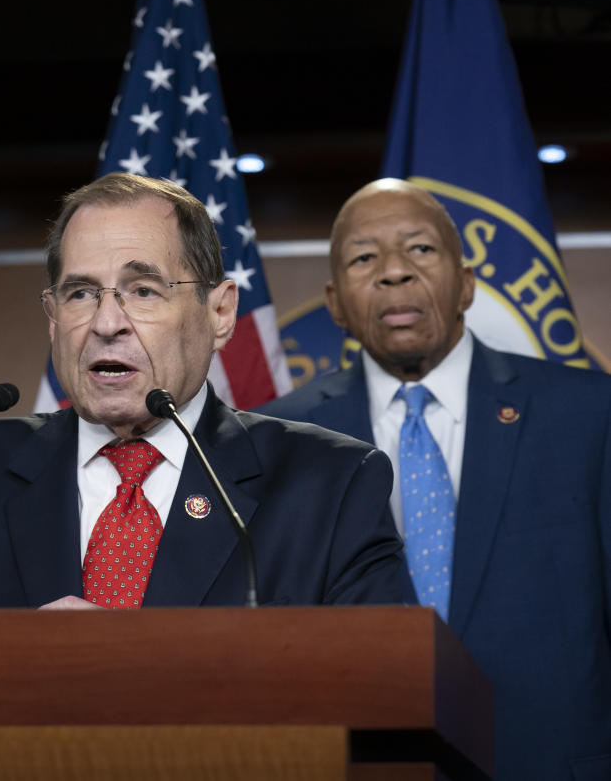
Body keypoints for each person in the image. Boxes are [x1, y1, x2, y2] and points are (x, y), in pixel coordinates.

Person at [0, 172, 414, 610]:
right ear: (52, 317)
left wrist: (146, 667)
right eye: (81, 293)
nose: (107, 322)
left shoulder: (331, 485)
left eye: (143, 290)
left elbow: (384, 692)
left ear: (221, 312)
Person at [257, 178, 611, 781]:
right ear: (335, 302)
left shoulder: (589, 413)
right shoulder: (276, 439)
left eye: (420, 249)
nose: (394, 272)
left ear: (467, 284)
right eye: (364, 258)